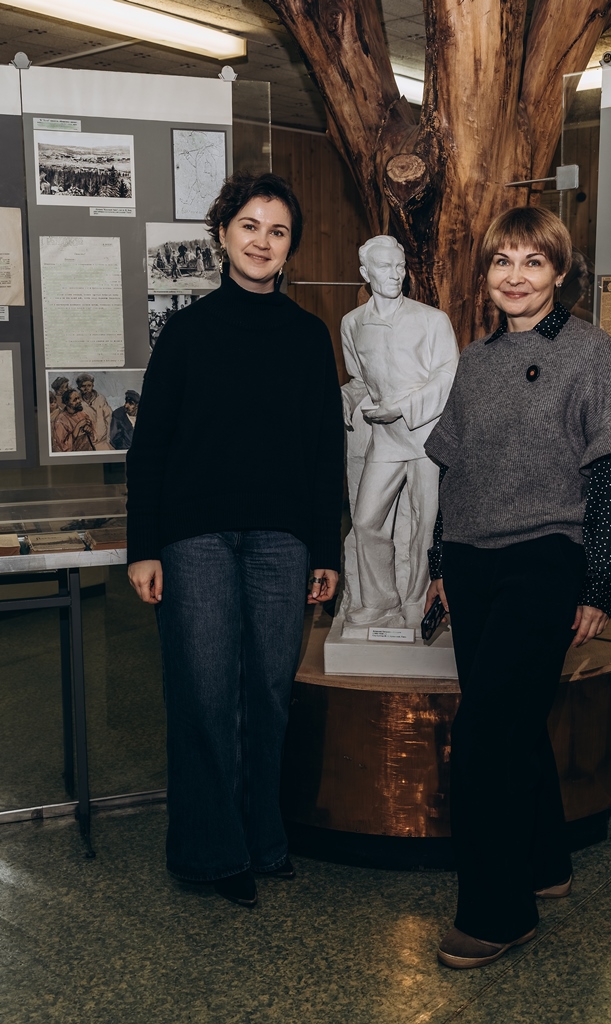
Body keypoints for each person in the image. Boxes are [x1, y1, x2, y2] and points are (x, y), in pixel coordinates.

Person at [424, 207, 611, 971]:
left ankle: (497, 914)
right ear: (485, 274)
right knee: (513, 724)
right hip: (470, 562)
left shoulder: (587, 350)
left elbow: (610, 480)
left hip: (544, 560)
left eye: (531, 262)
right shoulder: (475, 359)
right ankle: (544, 862)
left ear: (558, 273)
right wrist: (437, 563)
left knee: (483, 738)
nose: (514, 277)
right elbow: (453, 470)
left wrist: (599, 584)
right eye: (501, 261)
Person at [126, 172, 344, 909]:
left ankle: (262, 838)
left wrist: (326, 551)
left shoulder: (308, 337)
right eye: (249, 225)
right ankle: (209, 852)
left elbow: (326, 451)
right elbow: (150, 447)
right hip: (195, 539)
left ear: (289, 248)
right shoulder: (187, 332)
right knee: (205, 694)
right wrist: (143, 547)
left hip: (282, 541)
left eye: (277, 231)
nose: (261, 241)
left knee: (270, 694)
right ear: (223, 235)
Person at [340, 235, 458, 630]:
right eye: (384, 267)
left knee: (425, 526)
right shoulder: (352, 324)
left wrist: (403, 408)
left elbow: (448, 376)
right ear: (365, 273)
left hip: (428, 439)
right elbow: (360, 380)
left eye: (399, 266)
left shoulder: (432, 320)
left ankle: (416, 602)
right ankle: (378, 601)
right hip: (386, 441)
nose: (395, 275)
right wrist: (342, 399)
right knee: (365, 520)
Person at [77, 373, 113, 449]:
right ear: (79, 388)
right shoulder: (78, 402)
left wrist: (108, 439)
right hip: (88, 442)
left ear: (92, 385)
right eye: (83, 386)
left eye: (89, 385)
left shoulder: (100, 399)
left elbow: (109, 418)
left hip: (103, 441)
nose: (86, 388)